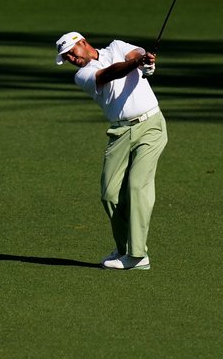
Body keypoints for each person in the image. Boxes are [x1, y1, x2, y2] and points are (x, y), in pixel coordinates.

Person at [55, 31, 166, 271]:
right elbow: (109, 73)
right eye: (66, 58)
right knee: (110, 194)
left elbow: (137, 54)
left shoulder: (116, 47)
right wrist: (136, 63)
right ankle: (125, 249)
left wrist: (146, 62)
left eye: (71, 53)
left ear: (82, 43)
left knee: (137, 186)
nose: (71, 60)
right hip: (119, 133)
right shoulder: (82, 75)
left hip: (150, 126)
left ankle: (137, 256)